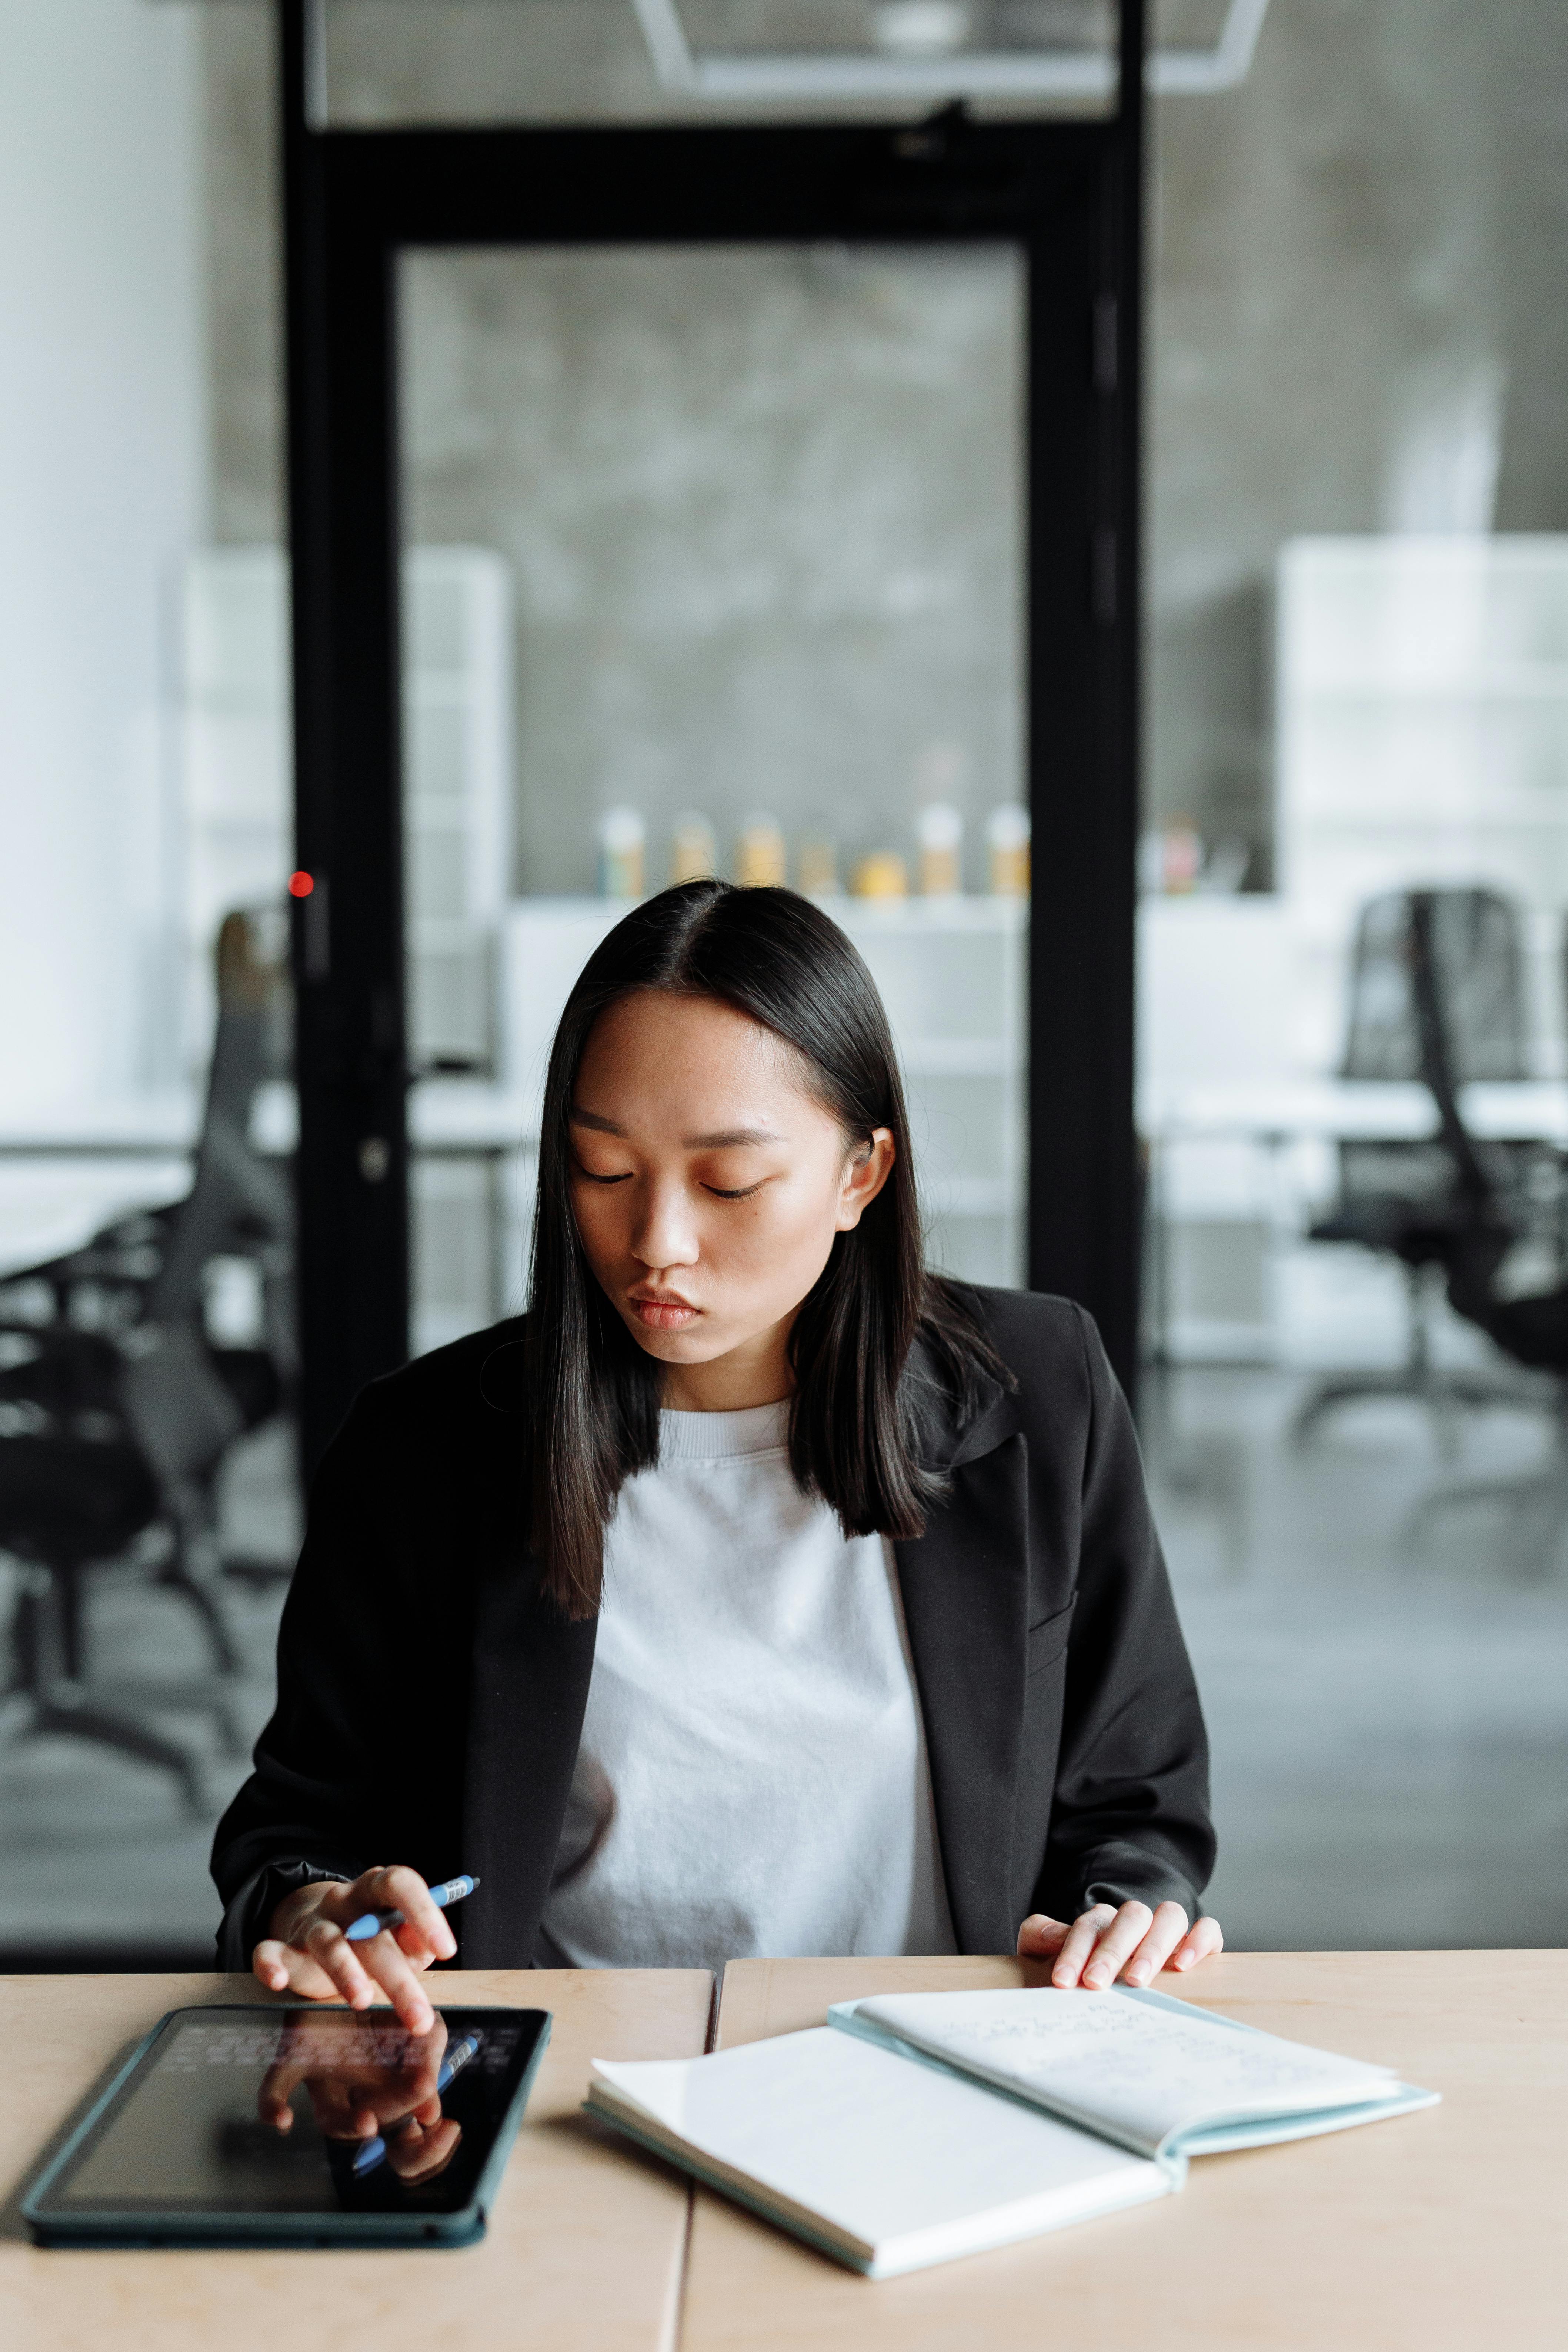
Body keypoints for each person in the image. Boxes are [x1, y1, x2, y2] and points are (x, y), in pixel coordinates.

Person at [213, 881, 1219, 2033]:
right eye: (603, 1172)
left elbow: (1134, 1800)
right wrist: (317, 1910)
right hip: (561, 2093)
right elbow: (293, 1830)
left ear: (858, 1176)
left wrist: (1127, 1905)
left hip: (928, 2084)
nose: (657, 1243)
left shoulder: (1039, 1390)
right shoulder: (424, 1447)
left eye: (728, 1181)